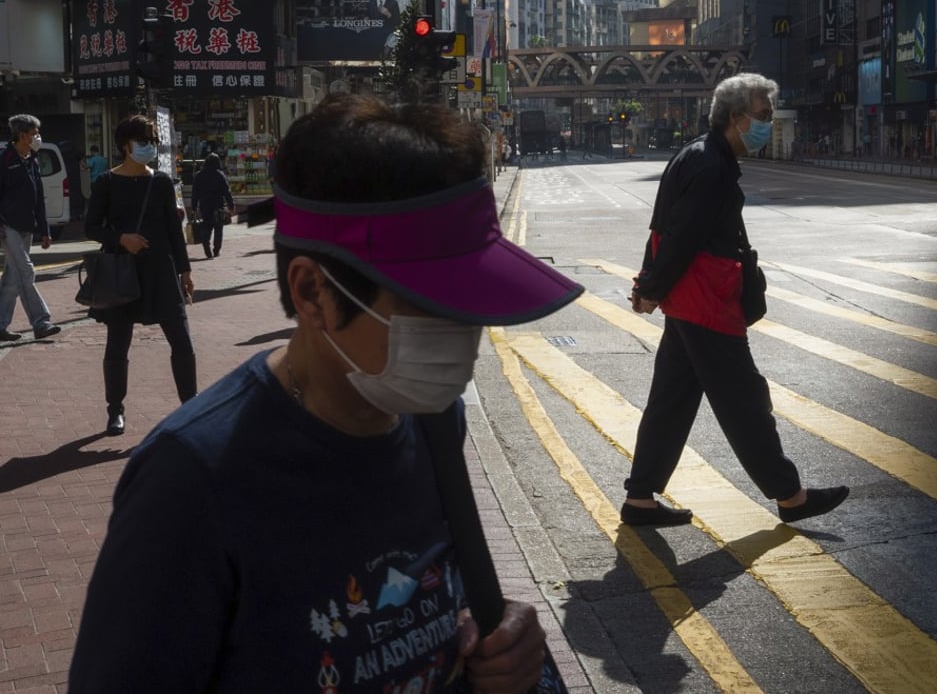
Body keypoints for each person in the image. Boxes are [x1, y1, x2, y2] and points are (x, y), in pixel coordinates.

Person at [68, 93, 584, 693]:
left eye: (470, 303)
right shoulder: (191, 481)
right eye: (429, 306)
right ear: (312, 292)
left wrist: (494, 643)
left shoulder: (432, 417)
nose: (463, 334)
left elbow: (441, 605)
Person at [621, 73, 849, 528]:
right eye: (762, 115)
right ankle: (790, 496)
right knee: (744, 400)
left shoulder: (697, 154)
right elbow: (681, 237)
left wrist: (651, 284)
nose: (767, 124)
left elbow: (661, 228)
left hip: (689, 301)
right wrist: (651, 288)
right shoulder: (712, 167)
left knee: (671, 400)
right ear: (735, 116)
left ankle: (640, 498)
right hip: (706, 303)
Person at [83, 114, 196, 436]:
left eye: (152, 141)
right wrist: (121, 238)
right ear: (125, 145)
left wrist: (185, 270)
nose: (150, 146)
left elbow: (174, 230)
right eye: (144, 141)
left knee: (182, 341)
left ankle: (191, 407)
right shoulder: (106, 182)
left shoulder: (160, 182)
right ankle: (115, 409)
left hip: (162, 271)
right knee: (118, 344)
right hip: (123, 272)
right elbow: (92, 227)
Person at [0, 113, 60, 342]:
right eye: (34, 133)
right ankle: (41, 322)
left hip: (27, 227)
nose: (38, 137)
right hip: (8, 226)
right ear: (22, 135)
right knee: (26, 271)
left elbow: (38, 198)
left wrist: (45, 230)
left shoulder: (32, 160)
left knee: (13, 278)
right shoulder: (4, 160)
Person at [190, 152, 235, 259]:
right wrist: (231, 205)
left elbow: (195, 193)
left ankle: (206, 243)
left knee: (207, 225)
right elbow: (227, 191)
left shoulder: (199, 175)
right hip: (217, 205)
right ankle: (216, 250)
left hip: (204, 205)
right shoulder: (219, 175)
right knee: (218, 228)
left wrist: (193, 207)